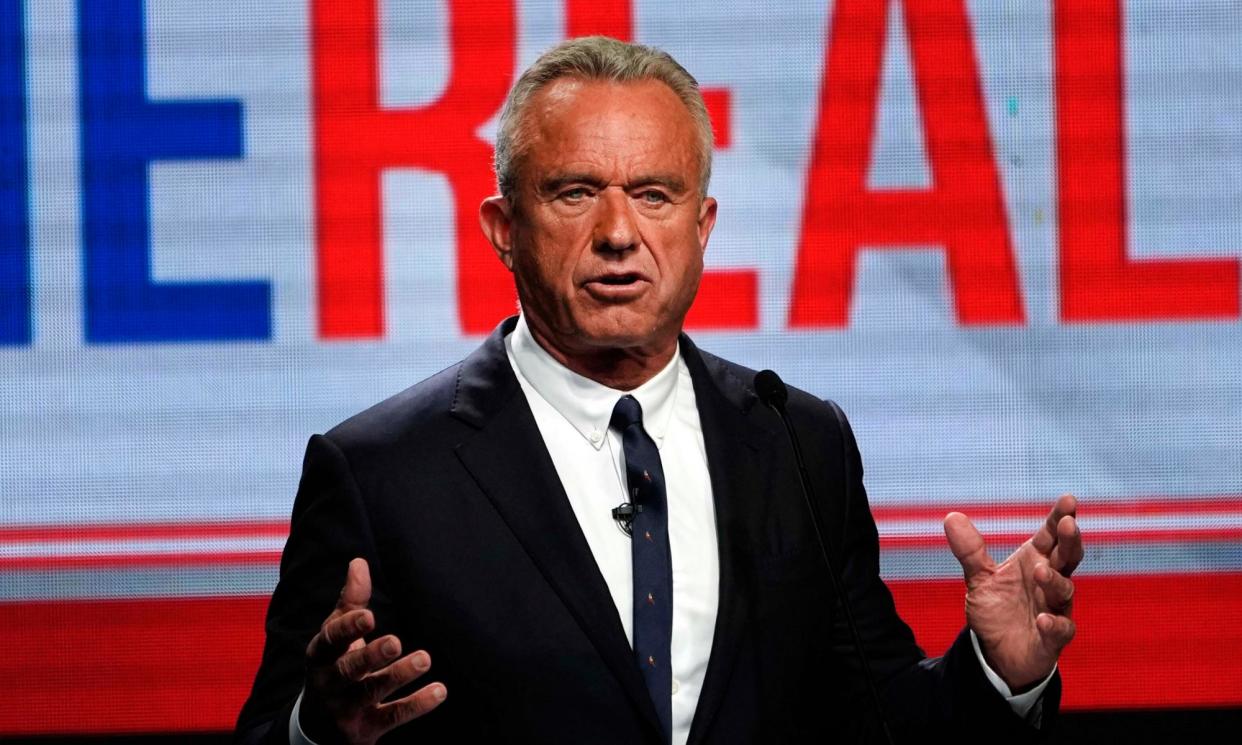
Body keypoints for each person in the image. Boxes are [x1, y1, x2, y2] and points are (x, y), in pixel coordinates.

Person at [234, 36, 1082, 745]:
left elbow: (877, 724)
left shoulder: (797, 442)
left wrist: (996, 670)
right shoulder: (382, 472)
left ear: (702, 227)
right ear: (502, 229)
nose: (616, 234)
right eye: (573, 193)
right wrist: (318, 730)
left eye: (653, 194)